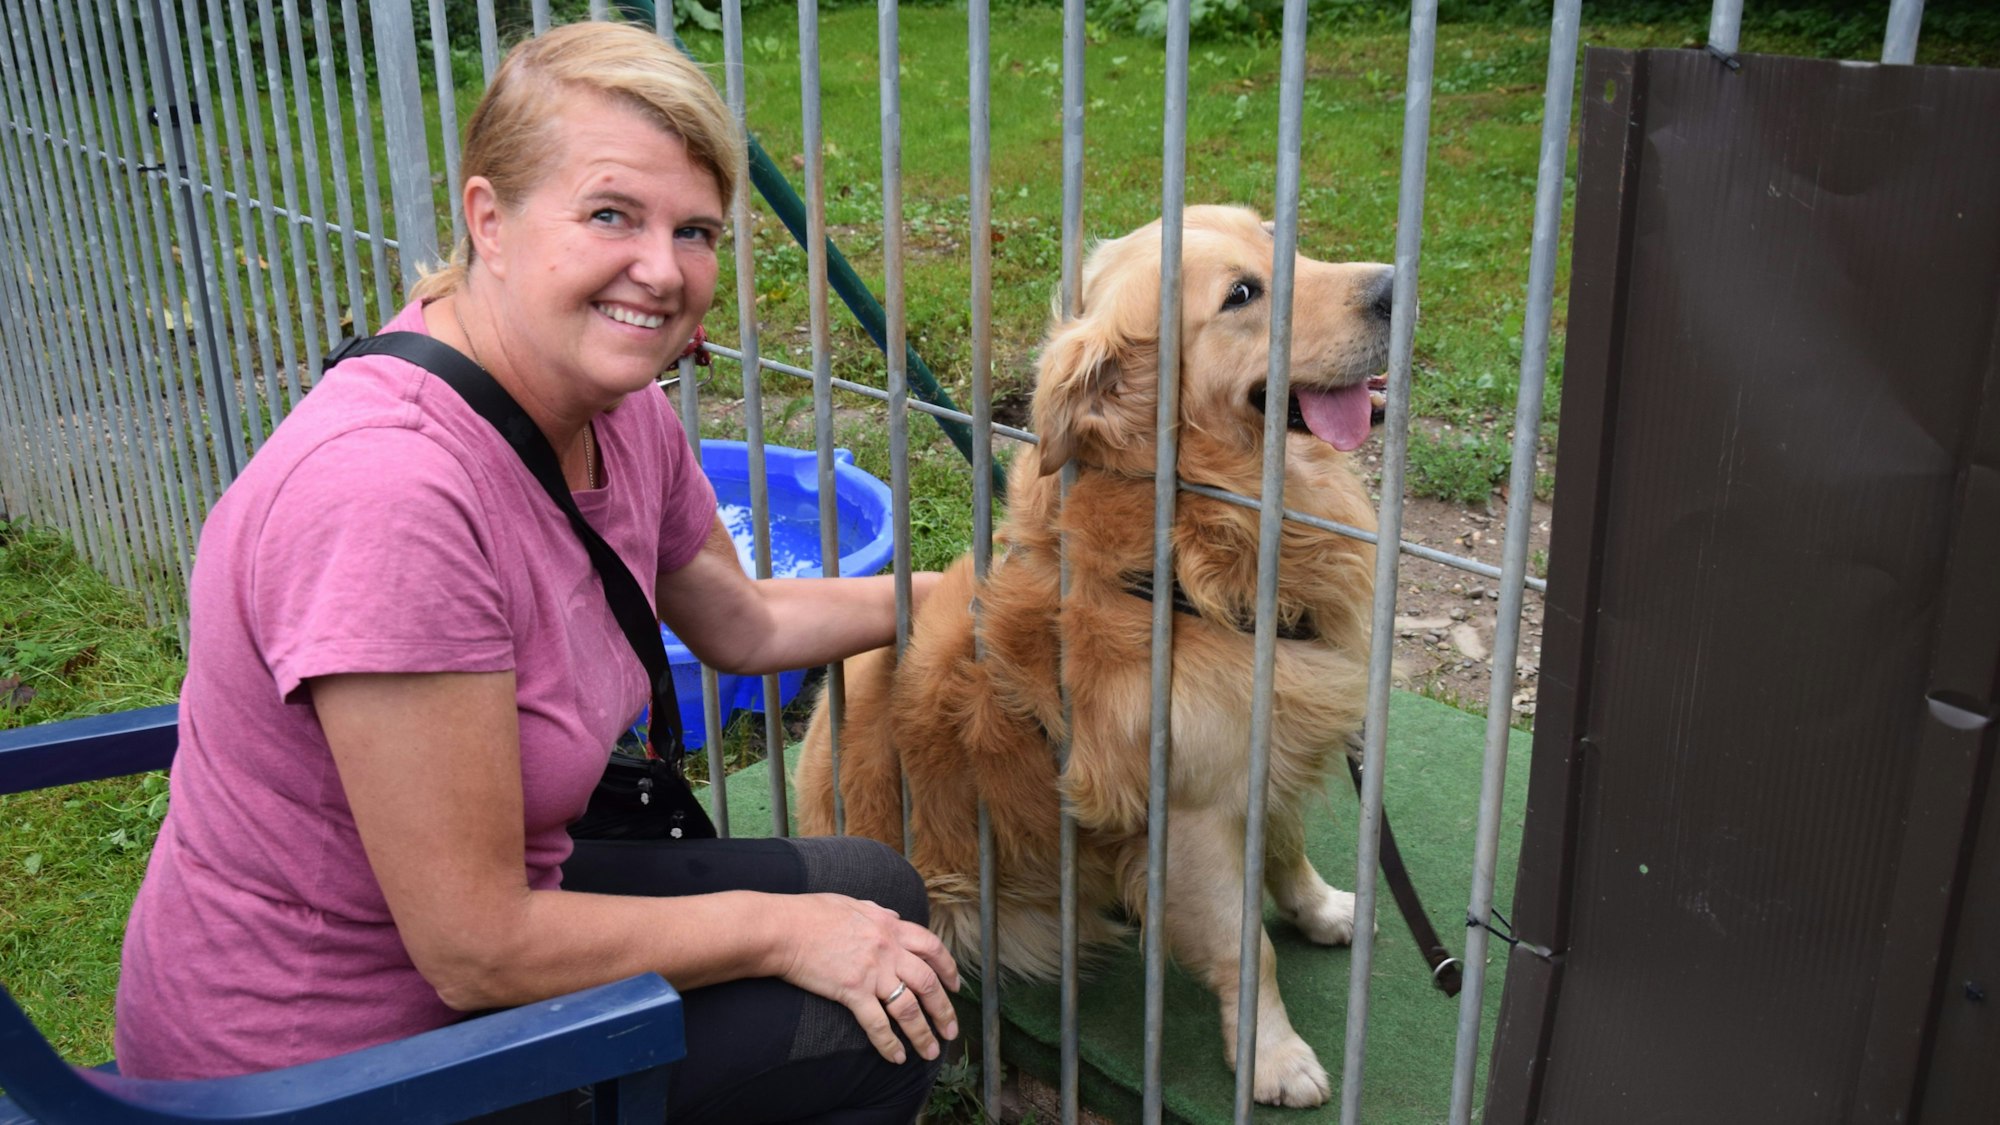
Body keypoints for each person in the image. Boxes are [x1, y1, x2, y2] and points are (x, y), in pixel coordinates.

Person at [113, 21, 957, 1124]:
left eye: (693, 229)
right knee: (862, 1023)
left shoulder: (619, 411)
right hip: (319, 1060)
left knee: (878, 893)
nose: (661, 271)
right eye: (611, 214)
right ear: (488, 221)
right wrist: (785, 931)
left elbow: (739, 624)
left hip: (469, 934)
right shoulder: (390, 502)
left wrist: (957, 596)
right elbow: (480, 952)